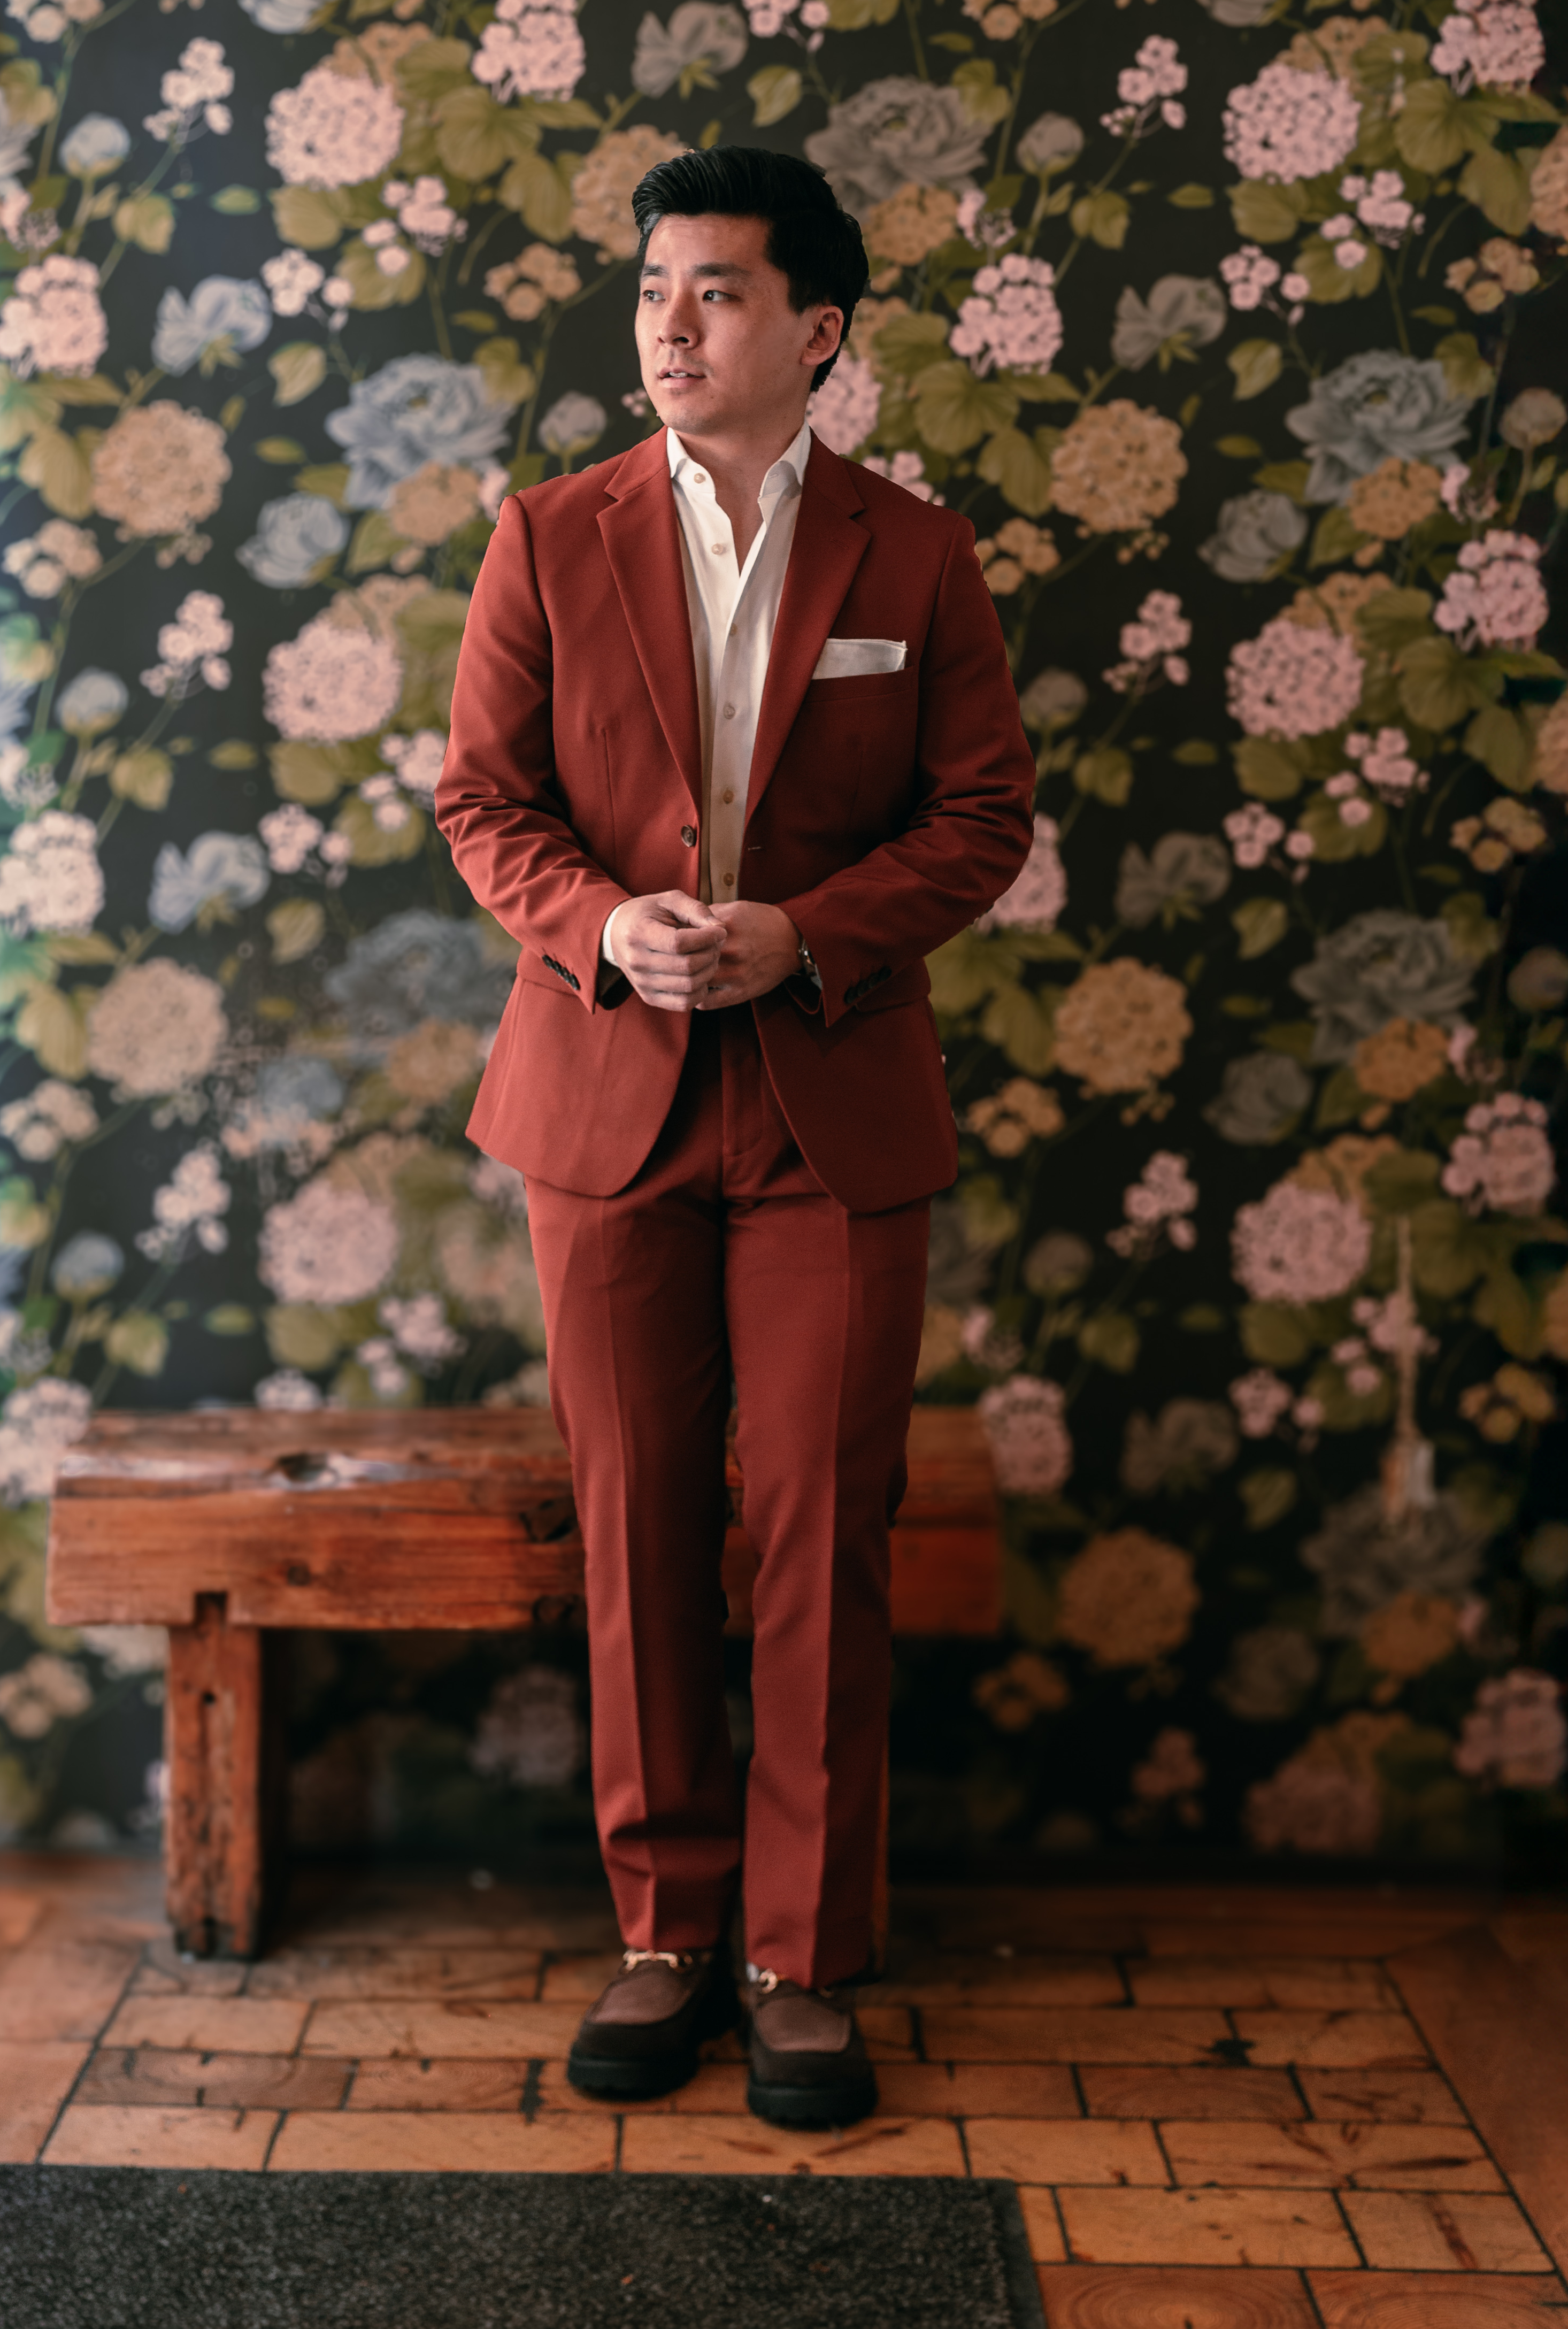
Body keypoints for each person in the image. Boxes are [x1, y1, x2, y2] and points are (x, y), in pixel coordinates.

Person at [436, 146, 1035, 2129]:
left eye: (715, 291)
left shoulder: (917, 556)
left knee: (820, 1531)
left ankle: (801, 1954)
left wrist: (808, 934)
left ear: (817, 328)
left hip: (829, 1105)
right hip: (602, 1102)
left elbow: (981, 817)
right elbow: (483, 801)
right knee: (634, 1526)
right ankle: (666, 1927)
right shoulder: (547, 535)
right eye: (652, 291)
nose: (671, 327)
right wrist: (605, 924)